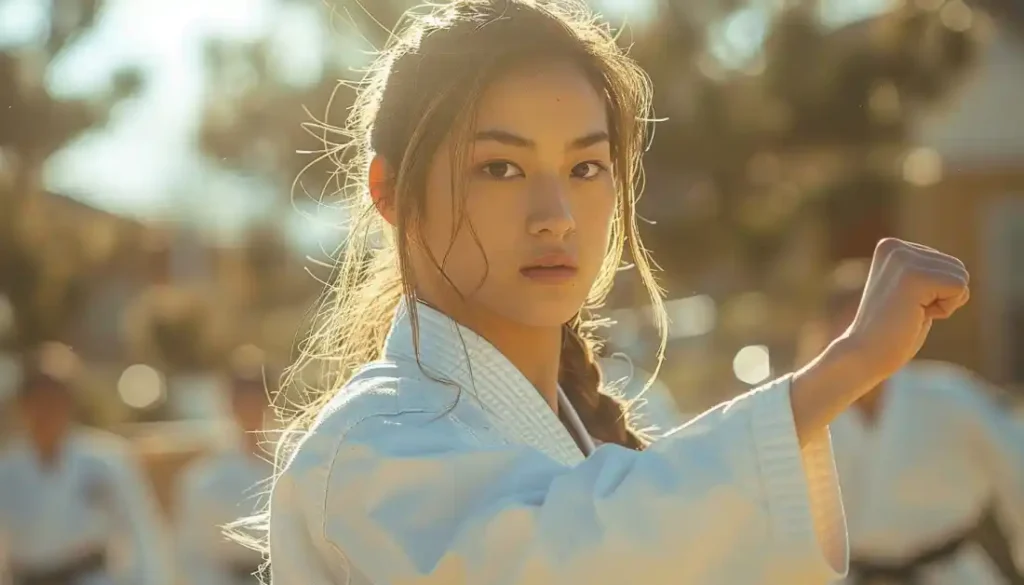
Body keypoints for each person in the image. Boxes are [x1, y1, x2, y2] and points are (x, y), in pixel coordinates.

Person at [256, 1, 972, 583]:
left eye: (586, 167)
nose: (556, 215)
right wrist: (838, 374)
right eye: (500, 168)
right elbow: (561, 556)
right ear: (391, 193)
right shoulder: (368, 443)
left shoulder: (602, 441)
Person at [805, 259, 1024, 585]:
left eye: (874, 322)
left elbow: (1017, 470)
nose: (864, 338)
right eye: (850, 324)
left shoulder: (949, 394)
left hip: (951, 573)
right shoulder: (808, 415)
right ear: (826, 331)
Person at [0, 342, 170, 585]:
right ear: (23, 405)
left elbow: (142, 533)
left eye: (55, 399)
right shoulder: (7, 470)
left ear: (70, 403)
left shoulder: (106, 458)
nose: (47, 411)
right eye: (38, 400)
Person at [174, 346, 274, 585]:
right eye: (243, 396)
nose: (250, 404)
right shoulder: (205, 478)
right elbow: (193, 554)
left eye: (256, 394)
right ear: (230, 403)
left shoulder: (292, 464)